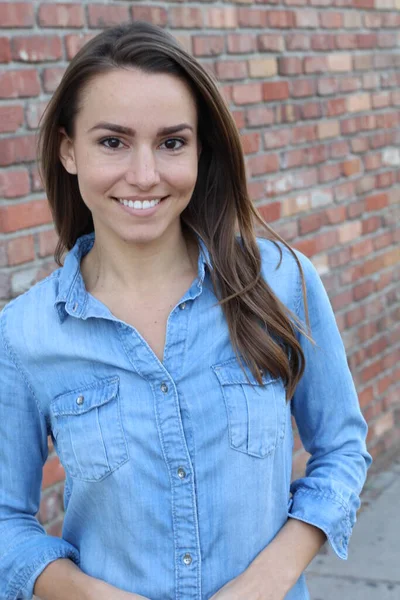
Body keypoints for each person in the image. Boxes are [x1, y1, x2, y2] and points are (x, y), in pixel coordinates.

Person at [0, 21, 371, 600]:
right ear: (69, 150)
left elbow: (343, 450)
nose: (144, 175)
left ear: (201, 151)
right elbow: (4, 523)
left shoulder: (281, 282)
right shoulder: (25, 335)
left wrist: (264, 583)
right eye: (113, 142)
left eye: (172, 142)